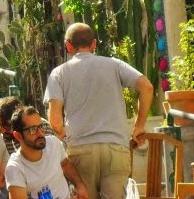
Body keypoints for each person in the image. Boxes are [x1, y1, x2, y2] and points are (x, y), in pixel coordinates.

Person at [44, 23, 154, 199]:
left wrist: (66, 135)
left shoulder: (58, 74)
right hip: (116, 148)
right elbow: (146, 87)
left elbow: (55, 121)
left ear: (68, 46)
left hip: (81, 150)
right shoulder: (114, 65)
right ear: (94, 44)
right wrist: (139, 125)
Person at [5, 106, 88, 199]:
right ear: (18, 135)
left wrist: (79, 185)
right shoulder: (15, 168)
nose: (40, 133)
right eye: (33, 129)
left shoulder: (53, 143)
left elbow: (65, 165)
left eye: (41, 126)